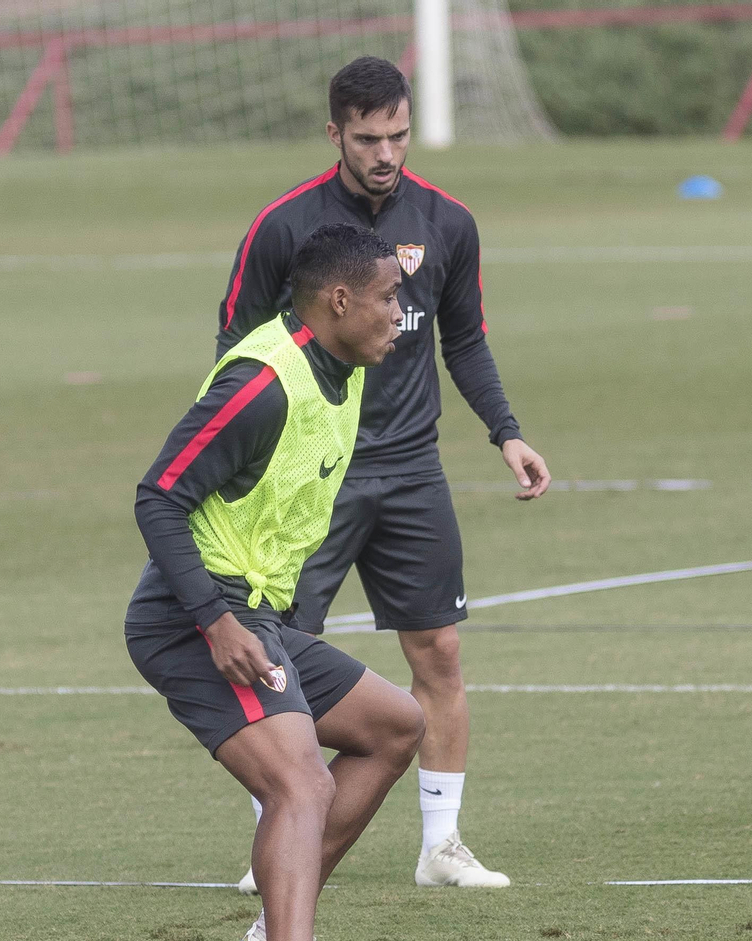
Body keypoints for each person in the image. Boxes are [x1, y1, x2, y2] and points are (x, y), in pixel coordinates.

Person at [218, 55, 549, 895]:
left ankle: (442, 847)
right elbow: (235, 350)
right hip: (308, 480)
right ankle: (275, 844)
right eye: (367, 138)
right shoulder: (283, 227)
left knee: (438, 650)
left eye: (398, 134)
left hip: (410, 472)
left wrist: (505, 432)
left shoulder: (446, 222)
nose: (386, 152)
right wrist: (248, 458)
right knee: (282, 659)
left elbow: (464, 338)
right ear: (335, 134)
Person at [126, 223, 419, 941]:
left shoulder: (348, 366)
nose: (401, 313)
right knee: (302, 783)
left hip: (254, 614)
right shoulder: (261, 382)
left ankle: (273, 940)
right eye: (389, 298)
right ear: (339, 300)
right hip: (194, 619)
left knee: (395, 727)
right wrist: (215, 621)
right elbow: (158, 497)